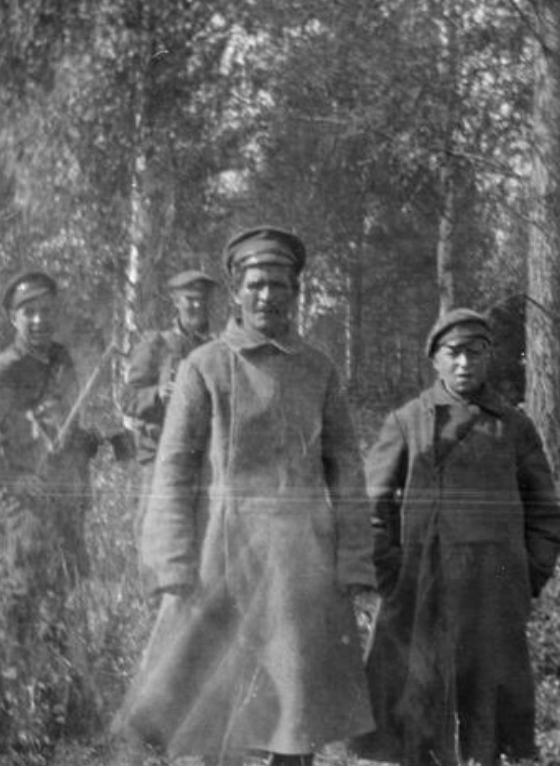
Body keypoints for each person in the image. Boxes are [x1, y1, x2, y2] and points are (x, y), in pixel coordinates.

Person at [112, 227, 375, 766]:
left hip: (297, 568)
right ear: (236, 291)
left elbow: (347, 472)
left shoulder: (318, 369)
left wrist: (353, 560)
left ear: (295, 292)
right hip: (220, 561)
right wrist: (171, 562)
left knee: (293, 716)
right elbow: (174, 470)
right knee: (211, 712)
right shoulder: (205, 366)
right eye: (256, 284)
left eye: (280, 284)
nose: (268, 295)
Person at [354, 308, 560, 766]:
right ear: (436, 359)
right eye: (454, 353)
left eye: (475, 352)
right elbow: (372, 505)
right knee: (415, 700)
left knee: (488, 705)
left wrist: (527, 575)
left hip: (492, 590)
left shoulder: (514, 426)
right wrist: (389, 572)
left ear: (489, 357)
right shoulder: (408, 421)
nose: (465, 363)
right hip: (420, 588)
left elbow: (545, 512)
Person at [0, 271, 101, 732]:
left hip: (68, 506)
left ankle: (63, 710)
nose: (39, 320)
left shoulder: (61, 361)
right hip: (30, 515)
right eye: (29, 312)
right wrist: (12, 480)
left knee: (67, 605)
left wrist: (91, 442)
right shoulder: (3, 371)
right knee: (22, 607)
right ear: (12, 318)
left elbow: (65, 428)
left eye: (46, 311)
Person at [121, 270, 219, 543]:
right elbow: (127, 398)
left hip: (203, 456)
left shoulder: (217, 349)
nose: (197, 305)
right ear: (176, 302)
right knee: (153, 530)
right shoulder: (157, 343)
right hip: (160, 454)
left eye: (202, 299)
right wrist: (158, 395)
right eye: (190, 299)